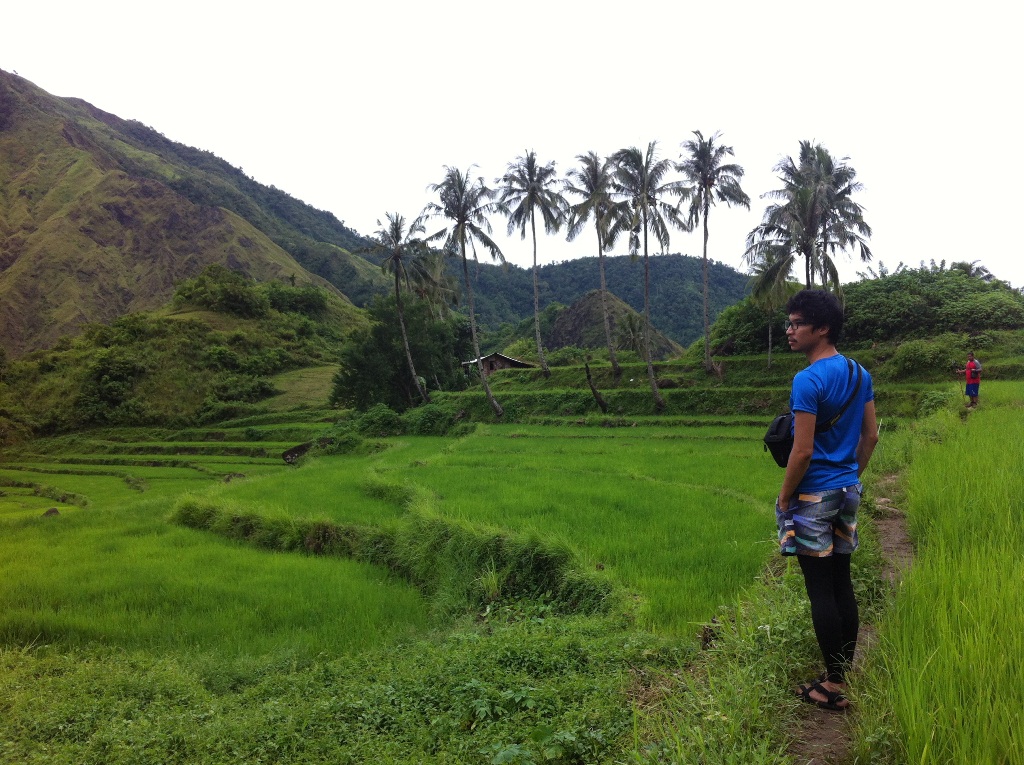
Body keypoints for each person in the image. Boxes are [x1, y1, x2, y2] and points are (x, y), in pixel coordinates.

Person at [777, 290, 879, 712]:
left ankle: (833, 685)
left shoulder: (808, 379)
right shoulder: (859, 373)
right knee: (842, 582)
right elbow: (870, 436)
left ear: (822, 329)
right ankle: (840, 675)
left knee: (820, 589)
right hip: (847, 488)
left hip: (813, 494)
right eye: (789, 322)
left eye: (798, 322)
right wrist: (850, 476)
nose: (790, 329)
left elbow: (801, 452)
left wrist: (785, 499)